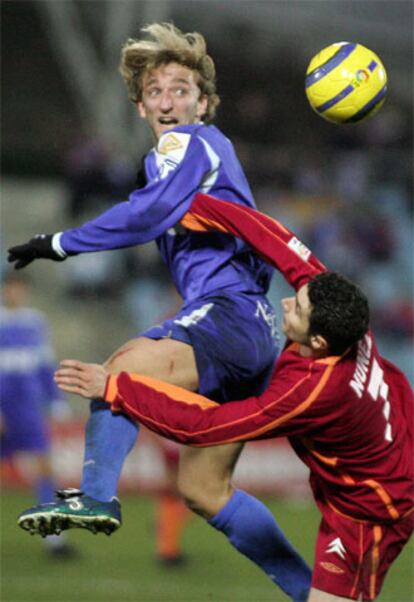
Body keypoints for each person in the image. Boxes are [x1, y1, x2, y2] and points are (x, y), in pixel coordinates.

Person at [8, 23, 311, 601]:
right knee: (204, 491)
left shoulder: (190, 144)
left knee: (117, 373)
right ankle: (312, 592)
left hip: (231, 315)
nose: (168, 100)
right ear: (141, 104)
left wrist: (59, 243)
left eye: (181, 88)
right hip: (252, 331)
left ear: (202, 102)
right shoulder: (176, 160)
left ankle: (96, 494)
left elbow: (148, 215)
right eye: (155, 91)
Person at [54, 193, 413, 601]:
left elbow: (208, 426)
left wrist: (114, 387)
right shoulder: (342, 315)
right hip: (394, 449)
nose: (285, 301)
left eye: (296, 309)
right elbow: (273, 236)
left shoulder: (309, 391)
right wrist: (189, 202)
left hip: (371, 510)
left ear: (318, 340)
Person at [0, 272, 75, 558]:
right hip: (3, 407)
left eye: (18, 288)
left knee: (45, 470)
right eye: (10, 288)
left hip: (28, 409)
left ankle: (54, 540)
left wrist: (56, 400)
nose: (14, 293)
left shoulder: (35, 322)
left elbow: (44, 365)